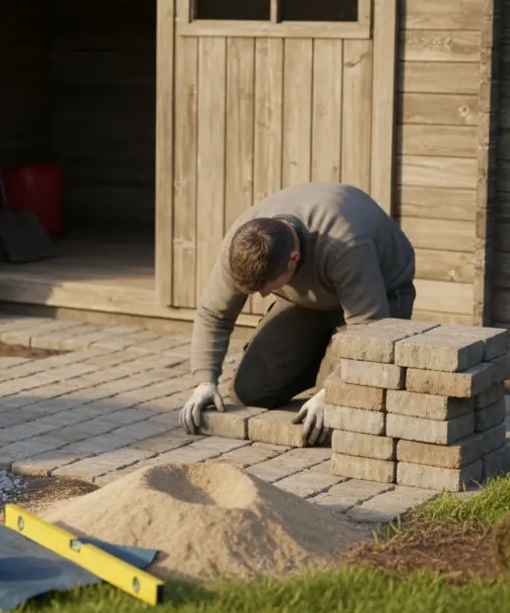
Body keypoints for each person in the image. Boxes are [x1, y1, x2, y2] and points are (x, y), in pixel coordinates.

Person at [179, 181, 417, 445]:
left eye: (268, 288)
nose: (264, 296)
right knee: (248, 392)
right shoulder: (242, 242)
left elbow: (368, 329)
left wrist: (330, 391)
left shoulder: (345, 244)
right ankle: (321, 357)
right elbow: (213, 315)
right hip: (312, 299)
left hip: (381, 298)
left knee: (331, 416)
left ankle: (328, 368)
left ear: (293, 259)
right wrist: (204, 381)